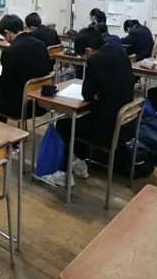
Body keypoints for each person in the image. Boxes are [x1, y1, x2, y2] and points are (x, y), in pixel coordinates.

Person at [52, 27, 135, 183]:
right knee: (81, 120)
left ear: (88, 50)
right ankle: (80, 162)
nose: (84, 59)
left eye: (83, 56)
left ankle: (64, 174)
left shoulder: (96, 60)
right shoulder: (118, 51)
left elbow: (87, 94)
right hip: (127, 124)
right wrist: (98, 94)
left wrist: (96, 94)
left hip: (108, 131)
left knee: (64, 125)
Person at [0, 14, 52, 119]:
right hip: (41, 103)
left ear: (7, 33)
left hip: (20, 107)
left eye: (4, 37)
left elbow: (6, 85)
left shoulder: (10, 51)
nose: (6, 40)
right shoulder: (41, 45)